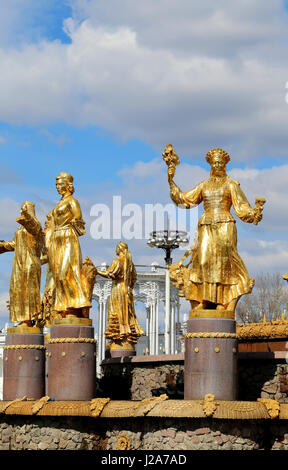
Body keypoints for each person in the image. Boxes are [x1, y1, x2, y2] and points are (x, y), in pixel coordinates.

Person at [167, 147, 265, 312]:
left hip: (225, 224)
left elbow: (241, 207)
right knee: (203, 261)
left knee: (223, 263)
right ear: (211, 165)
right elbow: (185, 200)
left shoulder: (231, 184)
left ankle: (222, 301)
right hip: (206, 224)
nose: (217, 165)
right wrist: (171, 180)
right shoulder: (204, 185)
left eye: (220, 162)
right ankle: (202, 299)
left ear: (225, 165)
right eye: (215, 162)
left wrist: (254, 213)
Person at [45, 172, 91, 317]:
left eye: (60, 184)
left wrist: (72, 224)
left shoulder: (72, 201)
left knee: (66, 272)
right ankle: (64, 306)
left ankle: (75, 305)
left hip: (68, 238)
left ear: (68, 185)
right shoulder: (59, 203)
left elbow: (79, 219)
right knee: (58, 275)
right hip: (57, 239)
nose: (58, 187)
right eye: (56, 184)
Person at [0, 201, 43, 326]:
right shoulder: (20, 229)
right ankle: (23, 318)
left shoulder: (35, 225)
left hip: (30, 262)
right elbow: (14, 244)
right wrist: (2, 245)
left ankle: (29, 319)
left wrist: (26, 218)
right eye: (21, 209)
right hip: (19, 263)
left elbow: (34, 228)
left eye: (23, 208)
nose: (21, 211)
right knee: (18, 290)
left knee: (29, 290)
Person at [97, 241, 144, 344]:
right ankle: (127, 333)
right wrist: (129, 287)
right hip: (127, 290)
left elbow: (110, 274)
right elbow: (134, 277)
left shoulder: (118, 261)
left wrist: (96, 271)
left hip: (117, 289)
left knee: (117, 311)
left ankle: (120, 333)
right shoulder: (130, 264)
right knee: (127, 312)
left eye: (116, 248)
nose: (115, 250)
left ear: (120, 249)